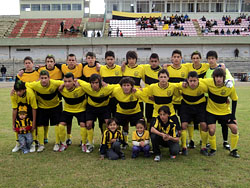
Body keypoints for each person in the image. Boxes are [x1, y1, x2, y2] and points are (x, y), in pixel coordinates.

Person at [203, 68, 239, 158]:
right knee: (211, 130)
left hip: (225, 112)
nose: (218, 79)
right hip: (211, 111)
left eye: (220, 77)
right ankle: (213, 149)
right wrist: (185, 82)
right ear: (213, 77)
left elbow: (234, 100)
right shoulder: (208, 82)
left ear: (224, 78)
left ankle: (233, 150)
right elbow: (198, 80)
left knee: (234, 128)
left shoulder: (229, 87)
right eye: (216, 77)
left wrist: (233, 116)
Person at [25, 70, 63, 152]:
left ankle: (57, 143)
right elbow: (25, 85)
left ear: (49, 78)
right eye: (42, 78)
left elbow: (64, 83)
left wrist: (61, 86)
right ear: (39, 78)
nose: (44, 80)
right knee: (40, 125)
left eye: (45, 78)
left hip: (55, 106)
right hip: (42, 107)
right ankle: (41, 144)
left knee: (57, 124)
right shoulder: (36, 85)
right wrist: (14, 88)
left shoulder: (55, 83)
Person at [77, 74, 117, 152]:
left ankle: (105, 142)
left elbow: (119, 86)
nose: (94, 85)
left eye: (96, 83)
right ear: (90, 83)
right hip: (91, 108)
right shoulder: (87, 87)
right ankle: (90, 143)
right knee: (88, 124)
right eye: (92, 83)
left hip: (104, 108)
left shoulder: (107, 88)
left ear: (100, 83)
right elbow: (77, 80)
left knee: (107, 124)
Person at [205, 50, 234, 150]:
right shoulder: (206, 69)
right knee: (209, 123)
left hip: (221, 99)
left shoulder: (222, 68)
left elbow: (230, 81)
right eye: (209, 58)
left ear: (216, 59)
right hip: (208, 99)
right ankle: (208, 141)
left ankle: (225, 141)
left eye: (213, 58)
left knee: (224, 122)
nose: (211, 60)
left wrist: (225, 96)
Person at [176, 71, 208, 156]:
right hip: (186, 106)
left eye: (194, 81)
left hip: (200, 106)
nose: (193, 83)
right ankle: (184, 147)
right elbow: (173, 86)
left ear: (198, 80)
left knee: (204, 125)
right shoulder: (183, 85)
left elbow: (213, 90)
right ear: (187, 81)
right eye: (191, 81)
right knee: (183, 125)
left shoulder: (203, 86)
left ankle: (204, 147)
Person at [57, 72, 87, 152]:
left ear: (74, 81)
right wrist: (61, 86)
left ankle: (84, 143)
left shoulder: (81, 89)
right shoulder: (62, 89)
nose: (67, 83)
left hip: (80, 110)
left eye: (69, 81)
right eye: (65, 81)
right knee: (61, 125)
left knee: (83, 124)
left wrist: (79, 81)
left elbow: (88, 85)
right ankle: (63, 143)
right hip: (68, 110)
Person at [112, 77, 144, 148]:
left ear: (132, 86)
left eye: (128, 85)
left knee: (141, 125)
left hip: (135, 112)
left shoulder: (136, 92)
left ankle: (142, 142)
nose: (126, 87)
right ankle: (123, 142)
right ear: (121, 86)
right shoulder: (116, 91)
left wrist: (139, 90)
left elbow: (145, 96)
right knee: (118, 125)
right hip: (121, 111)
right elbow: (107, 89)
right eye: (124, 85)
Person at [11, 80, 37, 153]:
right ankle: (18, 143)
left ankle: (33, 144)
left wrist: (34, 124)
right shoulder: (13, 94)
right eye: (17, 91)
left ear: (24, 90)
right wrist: (13, 124)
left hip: (29, 108)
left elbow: (34, 108)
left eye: (20, 91)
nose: (18, 93)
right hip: (19, 108)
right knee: (17, 125)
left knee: (30, 125)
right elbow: (14, 109)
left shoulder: (30, 94)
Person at [100, 51, 122, 118]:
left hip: (117, 97)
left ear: (114, 59)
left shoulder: (120, 68)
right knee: (106, 117)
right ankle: (106, 129)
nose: (110, 61)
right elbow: (100, 81)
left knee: (117, 117)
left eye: (111, 59)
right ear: (105, 60)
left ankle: (118, 129)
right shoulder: (102, 69)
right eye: (108, 59)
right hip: (107, 97)